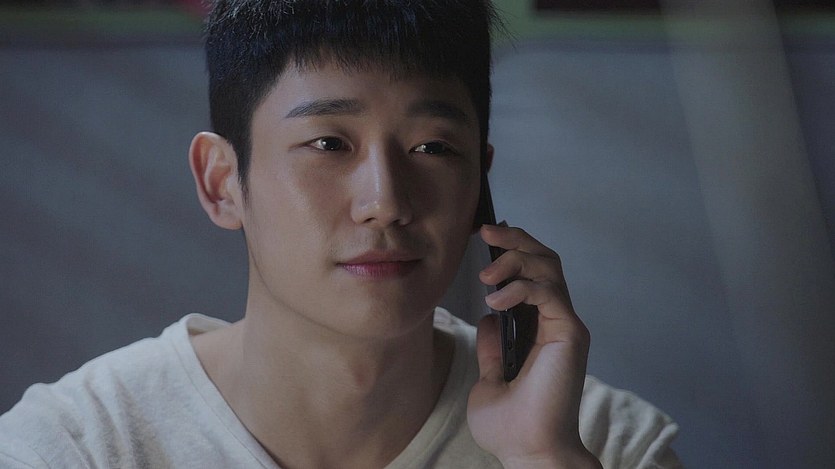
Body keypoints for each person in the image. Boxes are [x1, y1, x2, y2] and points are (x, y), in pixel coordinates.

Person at [0, 1, 681, 467]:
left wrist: (540, 456)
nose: (385, 202)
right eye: (328, 143)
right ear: (222, 182)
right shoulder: (78, 447)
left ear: (479, 179)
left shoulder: (604, 442)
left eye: (433, 147)